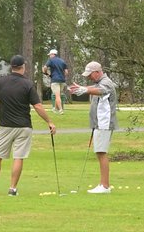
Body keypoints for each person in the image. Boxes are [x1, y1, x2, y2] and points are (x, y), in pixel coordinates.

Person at [0, 55, 57, 196]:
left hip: (5, 126)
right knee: (18, 157)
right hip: (24, 126)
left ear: (12, 67)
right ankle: (12, 189)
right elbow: (38, 106)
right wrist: (49, 121)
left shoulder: (2, 81)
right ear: (23, 67)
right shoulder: (28, 84)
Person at [69, 61, 117, 194]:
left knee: (101, 152)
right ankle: (103, 184)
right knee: (100, 151)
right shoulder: (99, 82)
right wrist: (84, 88)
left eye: (90, 75)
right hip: (99, 123)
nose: (89, 77)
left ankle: (105, 186)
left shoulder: (106, 82)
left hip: (104, 123)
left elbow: (101, 90)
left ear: (97, 72)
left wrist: (85, 90)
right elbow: (95, 88)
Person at [43, 49, 69, 114]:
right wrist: (62, 77)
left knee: (57, 96)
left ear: (52, 54)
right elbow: (66, 72)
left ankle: (60, 110)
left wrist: (46, 73)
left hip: (55, 80)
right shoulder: (62, 61)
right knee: (59, 95)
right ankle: (55, 109)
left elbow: (45, 67)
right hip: (62, 80)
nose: (49, 56)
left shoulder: (51, 60)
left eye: (50, 55)